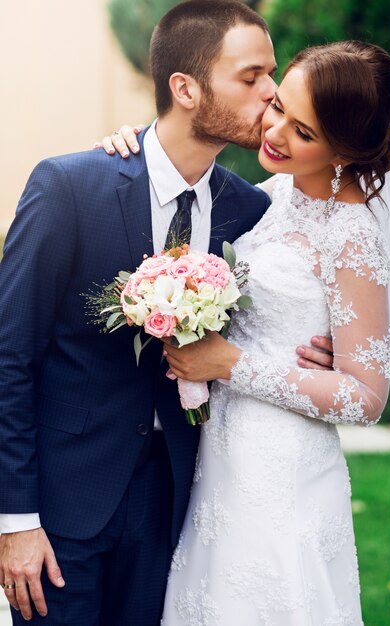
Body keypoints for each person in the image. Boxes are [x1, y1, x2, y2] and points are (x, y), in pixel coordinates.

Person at [0, 2, 332, 625]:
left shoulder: (248, 211)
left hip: (179, 505)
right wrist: (14, 519)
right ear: (184, 87)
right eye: (252, 77)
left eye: (272, 76)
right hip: (63, 509)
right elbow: (8, 355)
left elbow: (292, 306)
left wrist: (324, 349)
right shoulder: (70, 187)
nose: (271, 95)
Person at [103, 40, 390, 624]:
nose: (274, 132)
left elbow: (366, 397)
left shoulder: (353, 239)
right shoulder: (274, 194)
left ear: (346, 150)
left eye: (303, 132)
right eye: (279, 106)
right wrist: (130, 147)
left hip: (283, 471)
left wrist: (229, 365)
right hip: (221, 456)